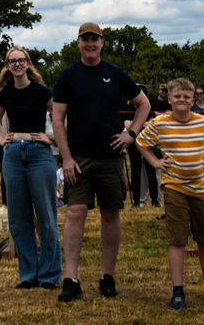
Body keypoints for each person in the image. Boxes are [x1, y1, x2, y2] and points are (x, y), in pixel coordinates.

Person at [53, 21, 149, 303]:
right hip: (78, 158)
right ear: (79, 43)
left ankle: (108, 276)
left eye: (95, 39)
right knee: (74, 213)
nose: (90, 44)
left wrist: (131, 134)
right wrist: (66, 158)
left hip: (110, 156)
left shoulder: (115, 73)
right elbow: (57, 119)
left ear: (102, 43)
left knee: (110, 214)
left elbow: (143, 104)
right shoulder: (68, 75)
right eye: (85, 40)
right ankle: (71, 280)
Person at [134, 78, 204, 310]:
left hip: (202, 189)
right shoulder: (161, 123)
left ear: (193, 98)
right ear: (170, 98)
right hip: (174, 187)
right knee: (177, 241)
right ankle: (178, 292)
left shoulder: (203, 123)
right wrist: (155, 161)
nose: (182, 100)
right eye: (177, 96)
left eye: (187, 96)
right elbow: (140, 141)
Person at [0, 47, 61, 292]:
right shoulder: (5, 94)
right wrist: (2, 141)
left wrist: (51, 140)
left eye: (21, 60)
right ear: (8, 66)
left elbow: (61, 115)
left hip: (39, 154)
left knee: (46, 215)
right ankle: (29, 274)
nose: (17, 64)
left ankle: (50, 275)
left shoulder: (41, 92)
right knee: (19, 218)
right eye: (13, 61)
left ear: (28, 64)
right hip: (12, 155)